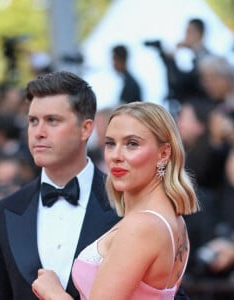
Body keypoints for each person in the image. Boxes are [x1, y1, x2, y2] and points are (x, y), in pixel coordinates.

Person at [32, 101, 199, 299]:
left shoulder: (142, 226)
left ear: (163, 154)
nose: (116, 156)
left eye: (132, 144)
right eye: (110, 143)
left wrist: (51, 291)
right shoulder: (173, 220)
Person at [0, 71, 120, 300]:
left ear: (86, 129)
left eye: (52, 120)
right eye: (33, 121)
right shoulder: (3, 212)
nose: (39, 132)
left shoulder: (126, 204)